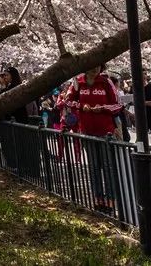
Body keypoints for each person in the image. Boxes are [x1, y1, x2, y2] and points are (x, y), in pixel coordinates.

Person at [61, 64, 122, 214]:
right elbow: (67, 101)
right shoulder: (78, 83)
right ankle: (98, 199)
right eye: (91, 65)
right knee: (94, 166)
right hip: (87, 130)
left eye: (98, 65)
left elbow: (117, 105)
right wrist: (81, 106)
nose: (94, 68)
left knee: (108, 166)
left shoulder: (106, 82)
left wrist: (103, 108)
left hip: (106, 132)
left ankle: (111, 200)